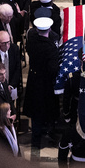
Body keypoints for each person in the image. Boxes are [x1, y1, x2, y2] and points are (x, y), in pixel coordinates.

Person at [23, 16, 59, 149]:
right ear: (49, 29)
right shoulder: (50, 48)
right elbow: (53, 69)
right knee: (48, 108)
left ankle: (36, 139)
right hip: (46, 83)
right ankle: (49, 132)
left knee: (36, 110)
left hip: (34, 80)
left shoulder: (31, 42)